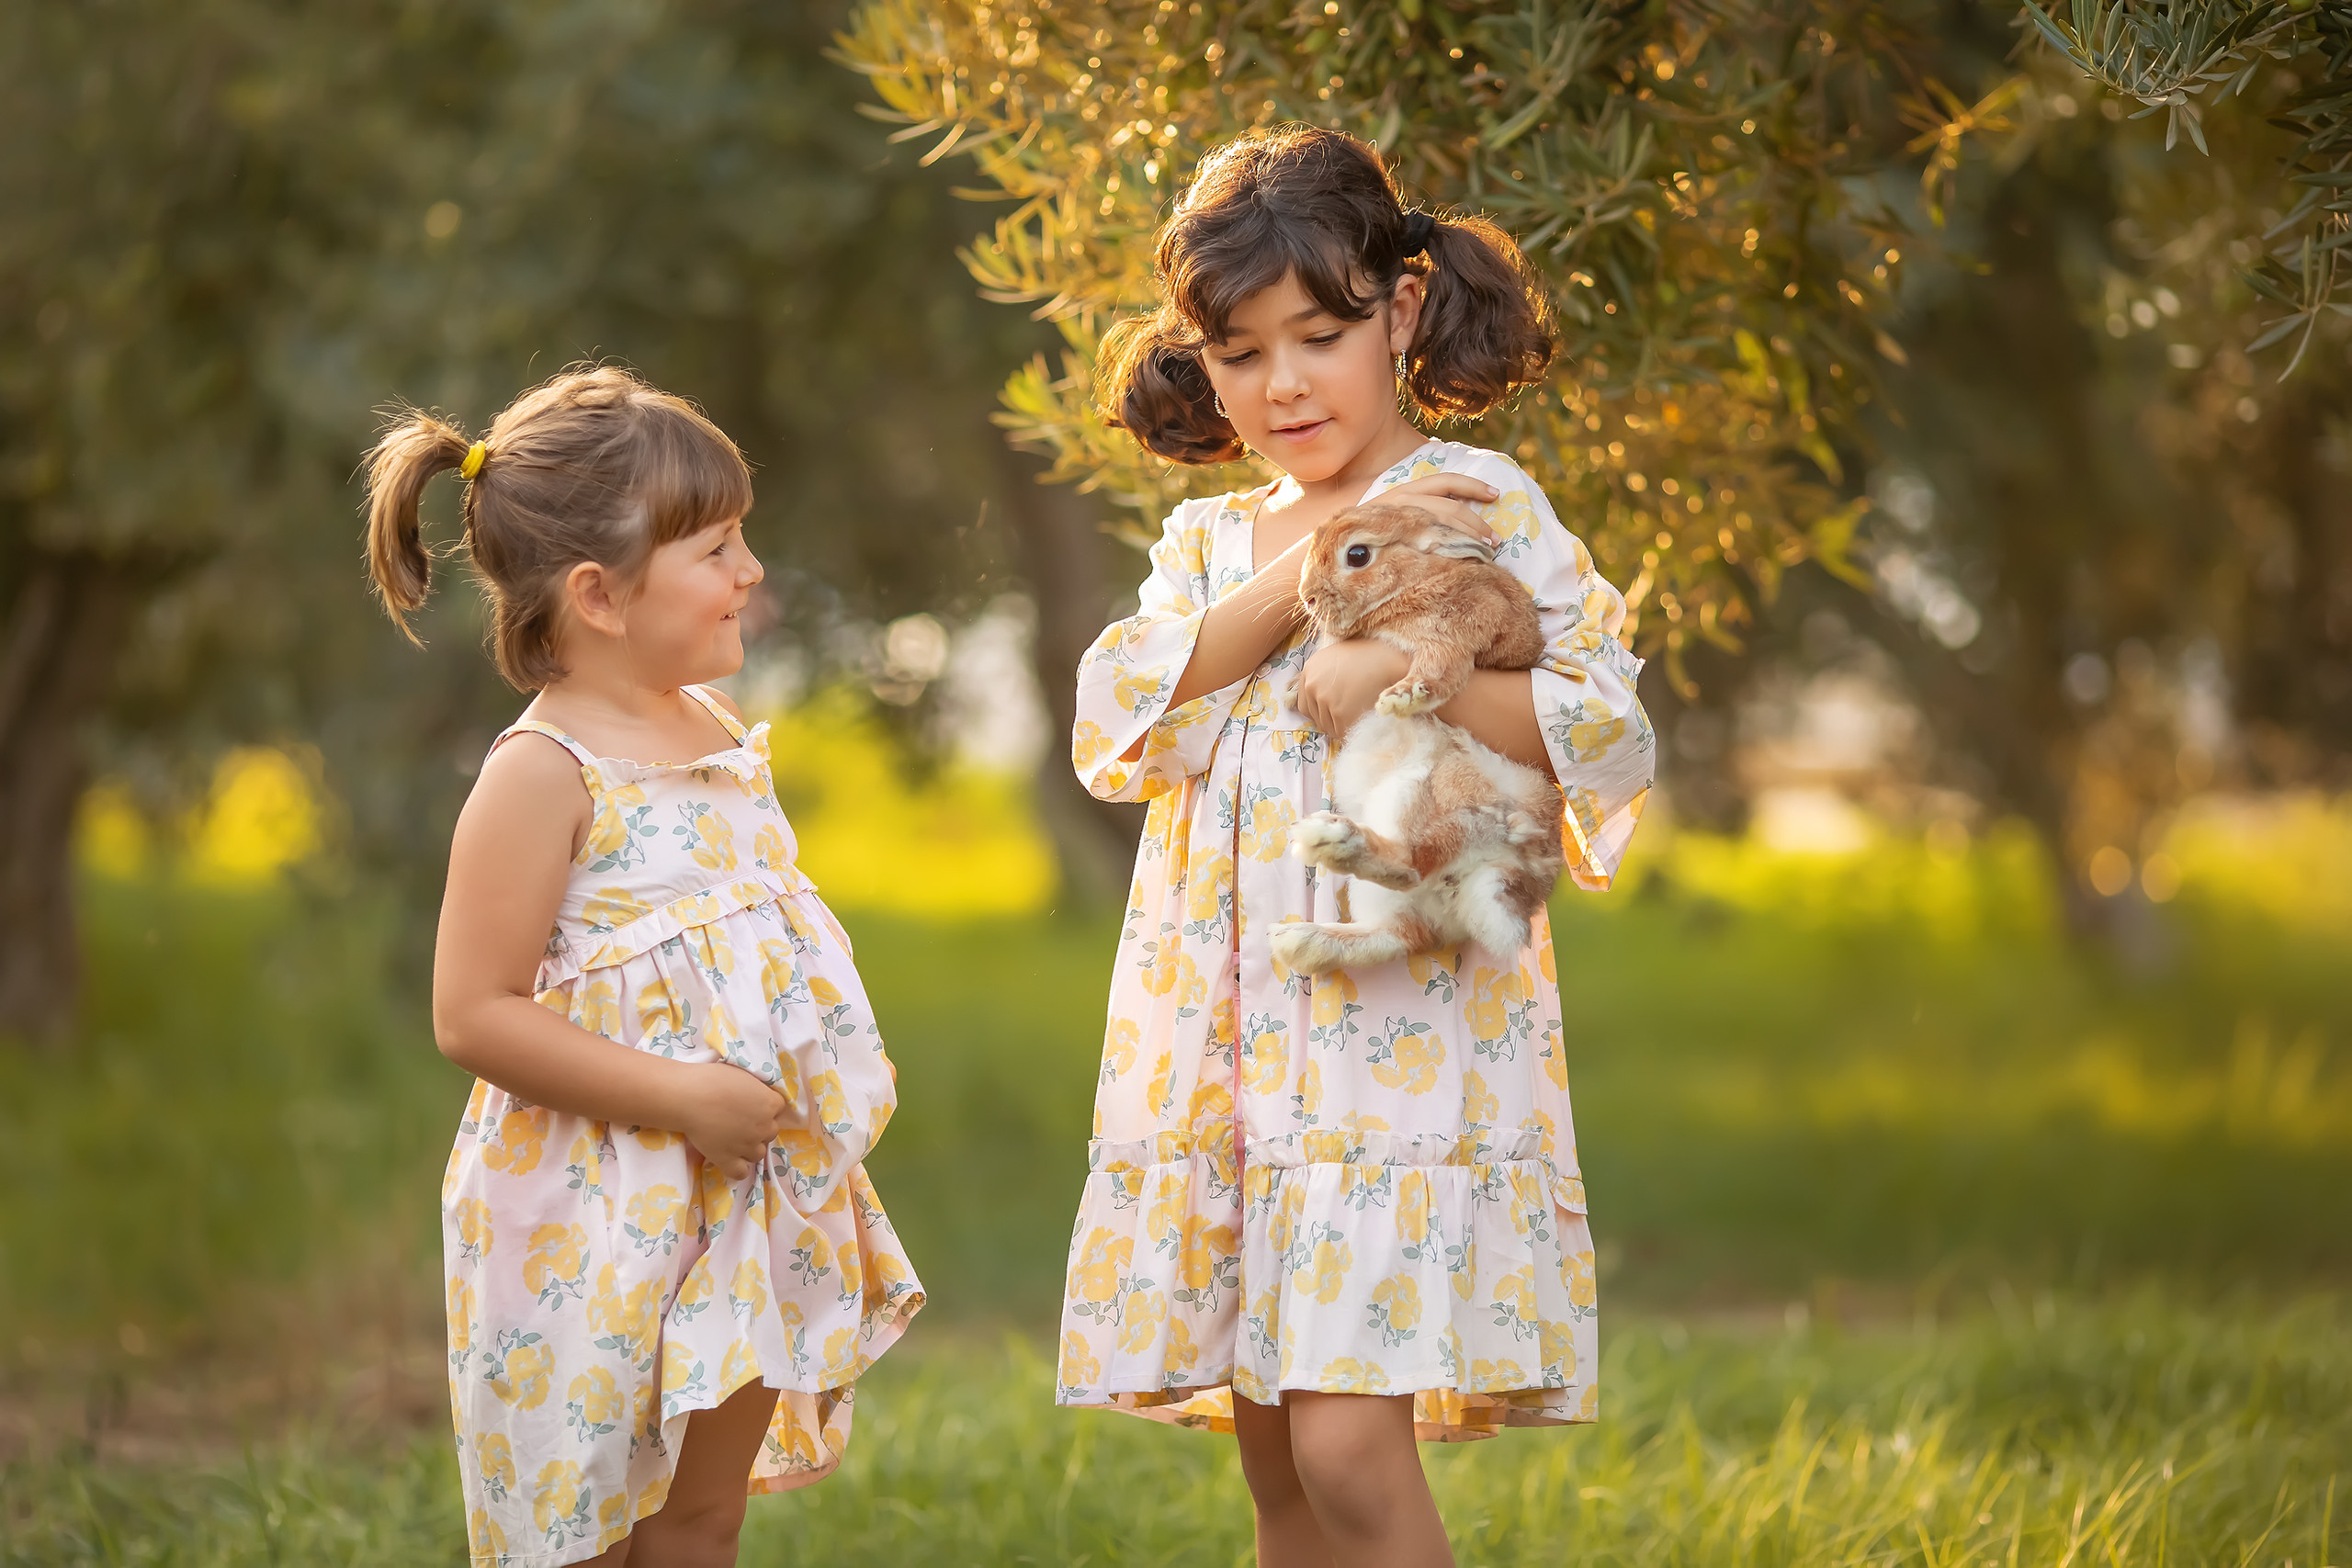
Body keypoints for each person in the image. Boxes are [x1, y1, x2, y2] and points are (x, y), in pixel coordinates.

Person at [1057, 126, 1655, 1567]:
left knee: (1346, 1446)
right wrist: (1289, 595)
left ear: (1398, 310)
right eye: (1241, 352)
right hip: (1232, 1056)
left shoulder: (1480, 504)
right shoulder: (1211, 550)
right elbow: (1118, 719)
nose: (1284, 385)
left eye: (1319, 337)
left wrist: (1406, 670)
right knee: (1280, 1466)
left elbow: (1609, 730)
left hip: (1396, 1051)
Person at [363, 367, 922, 1567]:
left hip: (737, 1206)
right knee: (587, 1539)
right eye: (718, 547)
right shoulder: (542, 774)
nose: (751, 571)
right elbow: (471, 1012)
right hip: (589, 1216)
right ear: (600, 597)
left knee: (700, 1522)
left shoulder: (721, 736)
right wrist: (685, 1098)